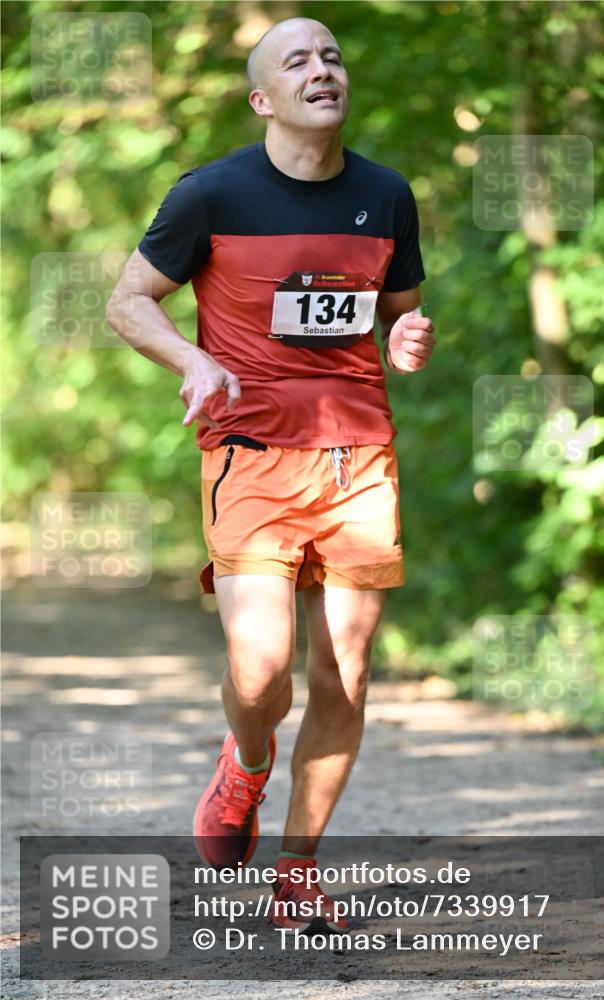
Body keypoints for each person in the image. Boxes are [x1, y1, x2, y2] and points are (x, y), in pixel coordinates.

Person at [106, 16, 435, 933]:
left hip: (359, 457)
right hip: (249, 456)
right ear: (263, 98)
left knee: (347, 673)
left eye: (330, 55)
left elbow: (399, 320)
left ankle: (298, 873)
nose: (320, 68)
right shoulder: (209, 195)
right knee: (262, 670)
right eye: (296, 60)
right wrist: (192, 361)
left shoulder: (385, 195)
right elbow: (127, 302)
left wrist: (409, 340)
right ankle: (244, 764)